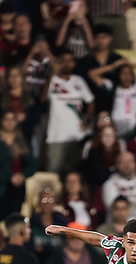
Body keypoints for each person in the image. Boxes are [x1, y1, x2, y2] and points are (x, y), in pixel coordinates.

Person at [42, 47, 95, 175]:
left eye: (70, 60)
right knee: (53, 171)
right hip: (56, 135)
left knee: (74, 172)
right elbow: (43, 98)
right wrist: (51, 75)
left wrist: (87, 120)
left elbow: (90, 101)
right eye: (63, 60)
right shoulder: (52, 81)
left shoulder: (79, 81)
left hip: (76, 134)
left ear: (74, 63)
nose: (66, 64)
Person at [0, 110, 36, 220]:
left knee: (15, 219)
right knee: (0, 218)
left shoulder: (22, 140)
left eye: (13, 119)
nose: (10, 122)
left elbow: (32, 163)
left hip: (18, 186)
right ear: (1, 121)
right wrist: (10, 176)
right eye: (6, 119)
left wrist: (22, 175)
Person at [89, 58, 136, 138]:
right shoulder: (112, 87)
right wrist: (114, 66)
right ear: (118, 75)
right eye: (123, 74)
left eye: (129, 74)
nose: (126, 77)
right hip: (117, 128)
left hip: (134, 129)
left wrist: (132, 64)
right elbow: (92, 74)